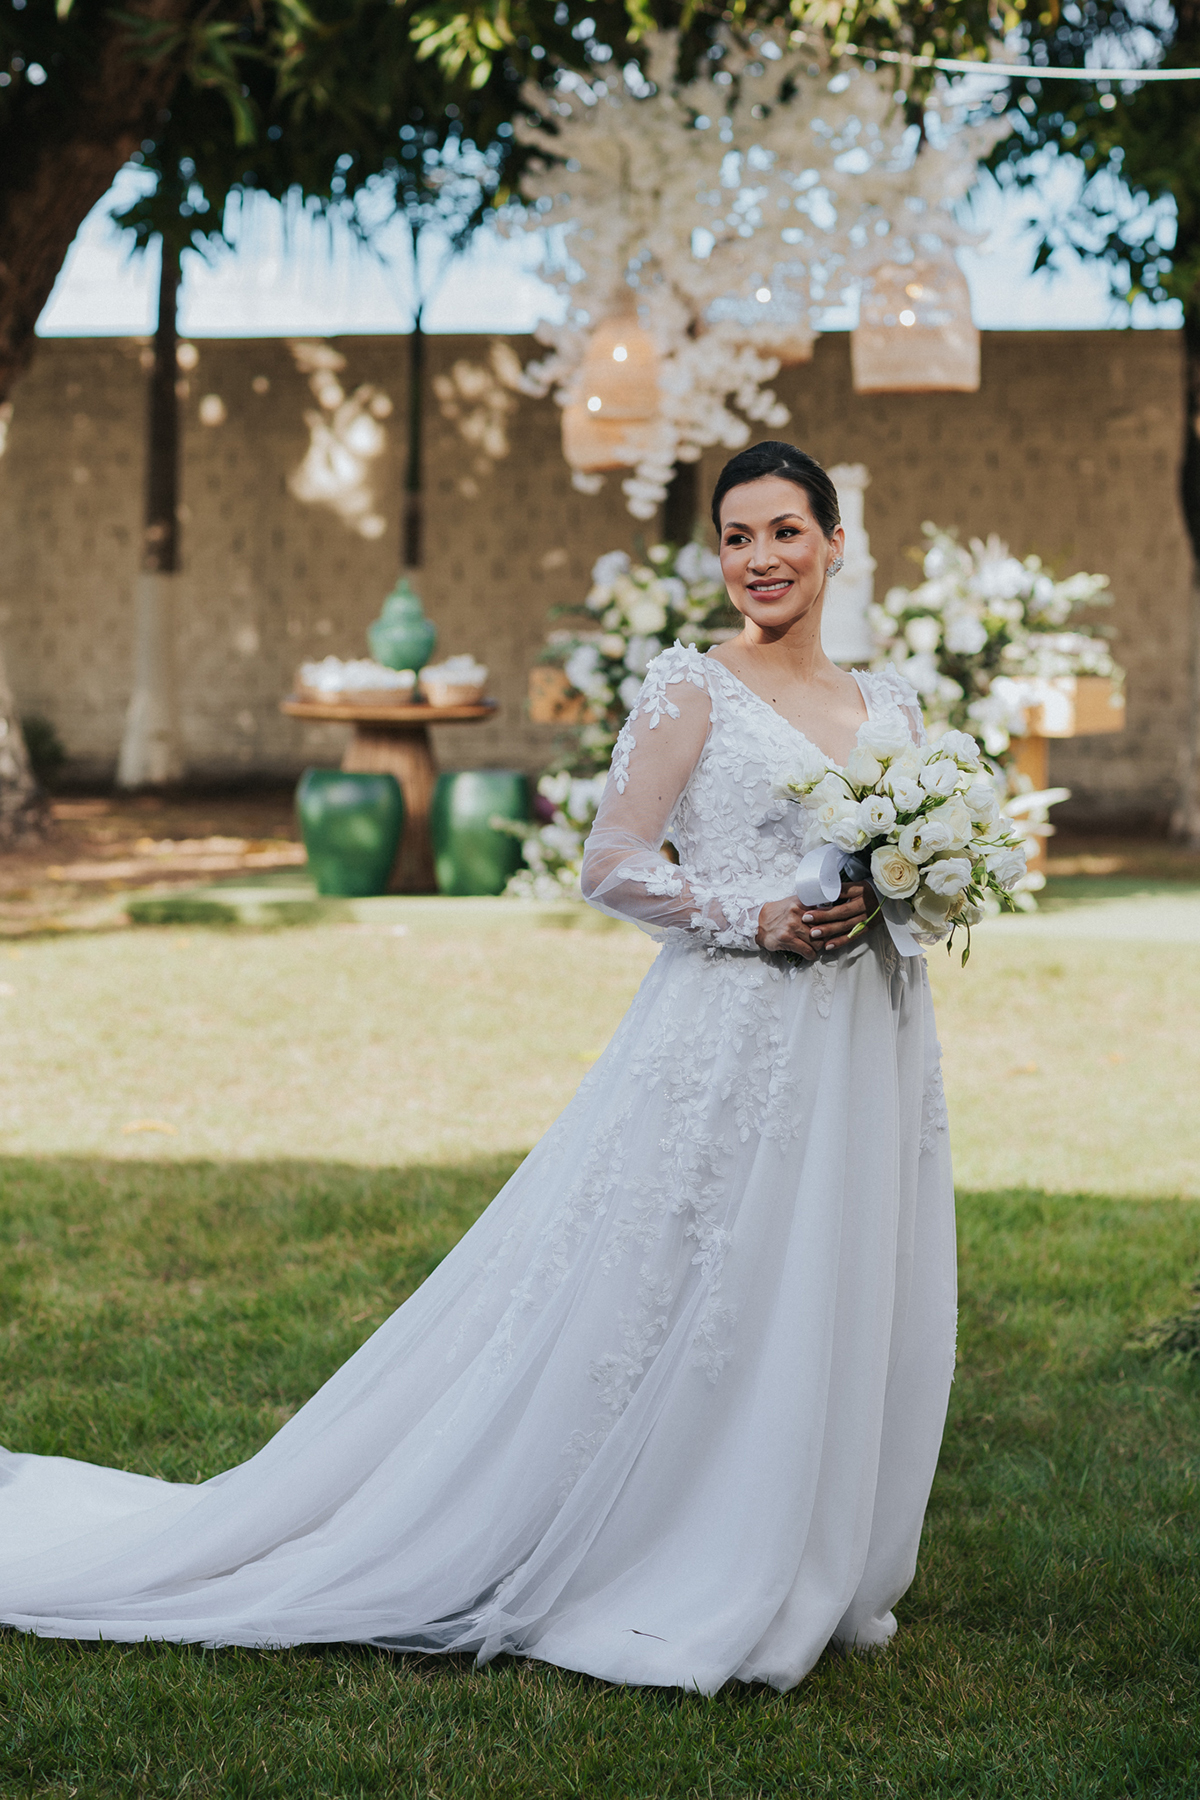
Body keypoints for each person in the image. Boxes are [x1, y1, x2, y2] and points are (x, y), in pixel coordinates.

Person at [0, 442, 955, 1695]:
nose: (761, 561)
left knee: (831, 1272)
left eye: (784, 532)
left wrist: (915, 891)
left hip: (866, 1039)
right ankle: (656, 1538)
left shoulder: (896, 709)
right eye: (736, 538)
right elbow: (609, 860)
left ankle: (806, 1547)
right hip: (731, 1032)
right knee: (678, 1283)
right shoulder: (694, 691)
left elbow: (917, 868)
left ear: (835, 542)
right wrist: (756, 916)